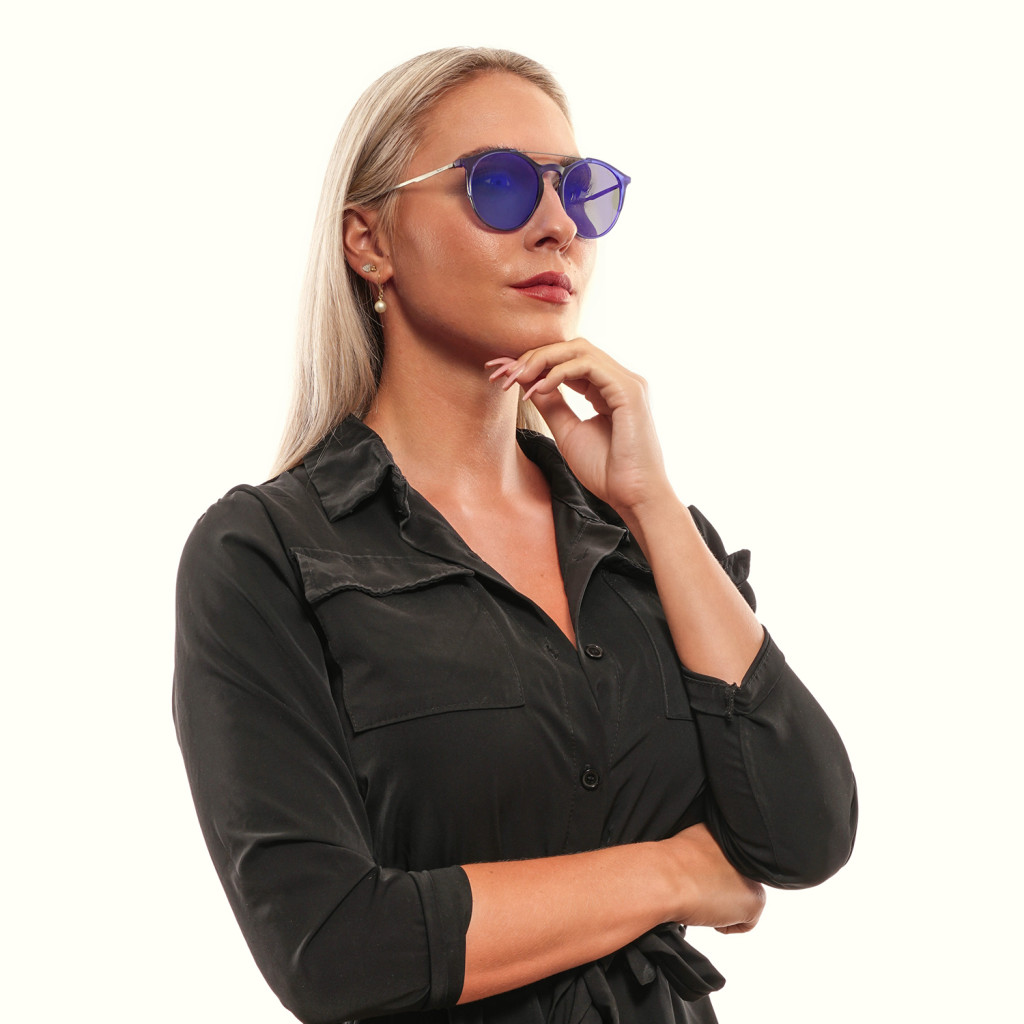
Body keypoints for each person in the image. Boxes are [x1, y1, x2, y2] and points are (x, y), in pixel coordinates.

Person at [173, 46, 857, 1024]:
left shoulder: (647, 538)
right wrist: (670, 873)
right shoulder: (268, 555)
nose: (556, 226)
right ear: (369, 242)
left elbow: (804, 834)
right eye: (497, 185)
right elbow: (333, 949)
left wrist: (651, 504)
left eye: (577, 190)